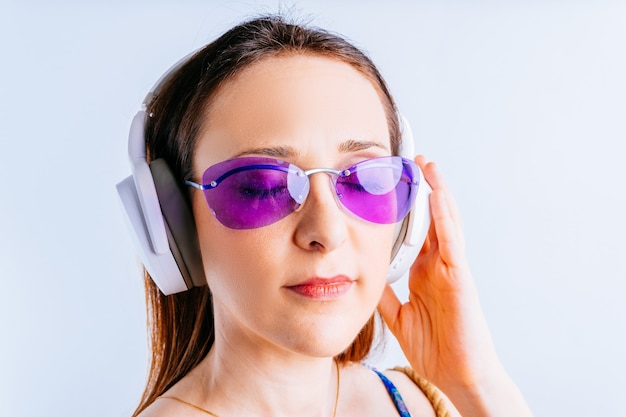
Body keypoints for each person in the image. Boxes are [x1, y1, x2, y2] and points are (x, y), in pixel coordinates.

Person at [123, 15, 534, 417]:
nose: (328, 231)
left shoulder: (419, 400)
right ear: (172, 224)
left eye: (366, 180)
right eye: (264, 186)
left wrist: (474, 384)